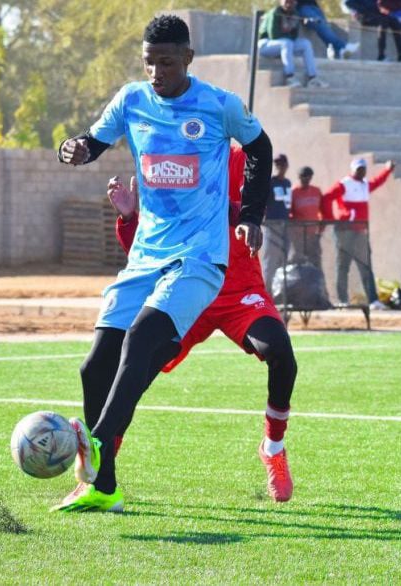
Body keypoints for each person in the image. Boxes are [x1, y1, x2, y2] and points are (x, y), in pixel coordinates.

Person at [54, 14, 272, 513]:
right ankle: (103, 486)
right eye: (149, 62)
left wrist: (251, 215)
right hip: (146, 255)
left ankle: (98, 441)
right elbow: (93, 141)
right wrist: (75, 148)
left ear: (188, 58)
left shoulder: (218, 105)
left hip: (199, 257)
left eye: (167, 62)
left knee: (143, 337)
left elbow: (260, 147)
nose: (157, 72)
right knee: (94, 367)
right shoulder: (131, 100)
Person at [96, 145, 298, 503]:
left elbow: (250, 201)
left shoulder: (239, 158)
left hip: (239, 290)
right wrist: (130, 219)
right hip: (189, 289)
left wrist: (222, 209)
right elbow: (150, 250)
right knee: (137, 372)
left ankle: (273, 448)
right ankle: (101, 469)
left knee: (281, 353)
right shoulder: (170, 164)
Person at [324, 158, 395, 310]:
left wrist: (387, 170)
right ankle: (342, 300)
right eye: (358, 169)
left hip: (361, 232)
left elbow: (377, 182)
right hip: (345, 232)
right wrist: (335, 218)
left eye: (363, 169)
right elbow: (327, 198)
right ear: (353, 170)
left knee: (366, 266)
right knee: (343, 266)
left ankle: (373, 300)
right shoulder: (344, 184)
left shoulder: (365, 185)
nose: (361, 171)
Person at [259, 0, 329, 88]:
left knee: (305, 44)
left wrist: (290, 28)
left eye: (292, 1)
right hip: (266, 44)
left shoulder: (295, 14)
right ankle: (289, 77)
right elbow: (274, 35)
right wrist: (288, 31)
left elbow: (294, 36)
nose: (289, 3)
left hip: (285, 44)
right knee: (287, 43)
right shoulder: (275, 12)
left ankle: (312, 78)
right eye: (287, 1)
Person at [262, 153, 293, 288]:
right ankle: (267, 293)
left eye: (281, 163)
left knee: (283, 261)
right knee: (270, 261)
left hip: (285, 226)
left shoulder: (287, 183)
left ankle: (280, 293)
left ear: (286, 166)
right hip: (272, 225)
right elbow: (262, 202)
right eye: (276, 164)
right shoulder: (269, 182)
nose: (278, 166)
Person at [289, 165, 326, 271]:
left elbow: (323, 210)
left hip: (313, 234)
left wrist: (320, 229)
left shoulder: (316, 191)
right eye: (303, 176)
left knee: (315, 260)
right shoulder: (293, 192)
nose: (306, 179)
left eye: (308, 176)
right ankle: (299, 281)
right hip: (298, 235)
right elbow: (289, 213)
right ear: (299, 177)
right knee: (299, 260)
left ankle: (317, 281)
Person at [296, 0, 361, 59]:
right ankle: (343, 46)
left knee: (325, 27)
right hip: (303, 8)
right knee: (320, 25)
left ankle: (339, 52)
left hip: (314, 6)